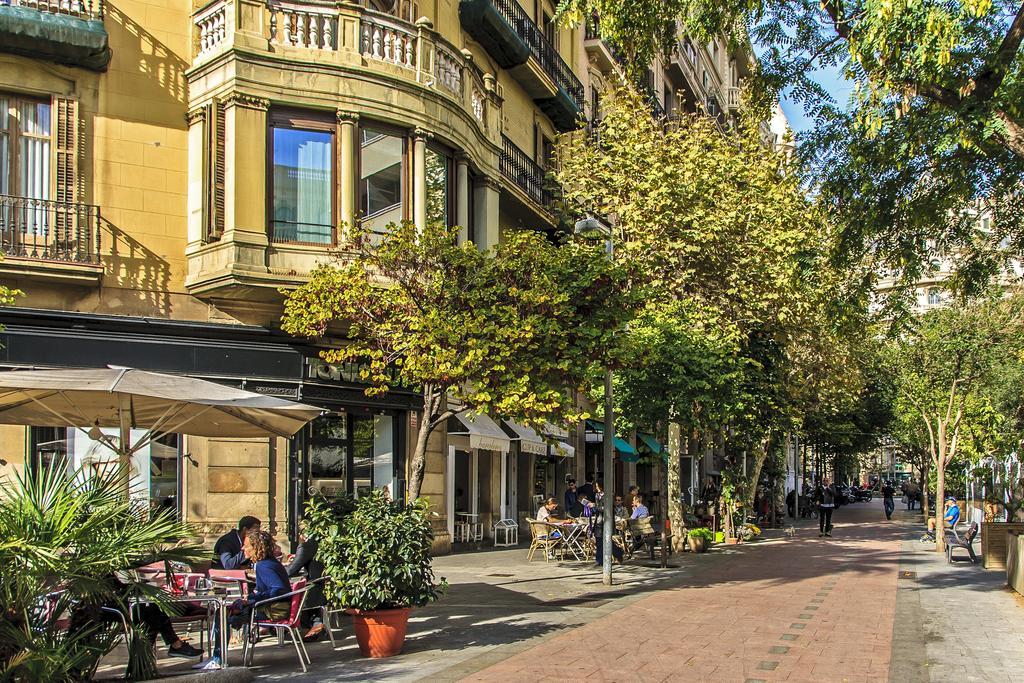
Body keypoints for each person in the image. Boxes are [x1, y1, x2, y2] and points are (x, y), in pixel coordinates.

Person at [198, 530, 292, 670]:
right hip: (274, 606)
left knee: (221, 615)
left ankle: (218, 659)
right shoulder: (268, 562)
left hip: (272, 610)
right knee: (226, 611)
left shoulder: (264, 565)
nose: (242, 548)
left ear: (256, 547)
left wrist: (252, 600)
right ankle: (217, 658)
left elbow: (278, 590)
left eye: (246, 545)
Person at [286, 519, 325, 642]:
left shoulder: (307, 546)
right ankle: (315, 623)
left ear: (302, 534)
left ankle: (314, 625)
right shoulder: (323, 543)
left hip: (313, 588)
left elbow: (292, 570)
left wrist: (277, 570)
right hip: (322, 585)